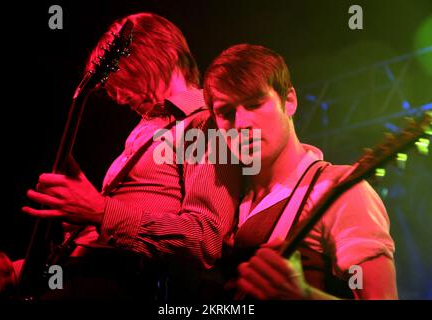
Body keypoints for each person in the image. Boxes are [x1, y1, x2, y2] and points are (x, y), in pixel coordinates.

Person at [21, 13, 240, 300]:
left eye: (121, 75)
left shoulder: (204, 124)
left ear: (162, 56)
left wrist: (100, 211)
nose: (117, 96)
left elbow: (205, 240)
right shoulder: (145, 128)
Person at [203, 44, 398, 299]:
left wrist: (302, 296)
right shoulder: (230, 200)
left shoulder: (342, 189)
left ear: (290, 101)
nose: (241, 124)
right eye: (226, 113)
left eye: (254, 104)